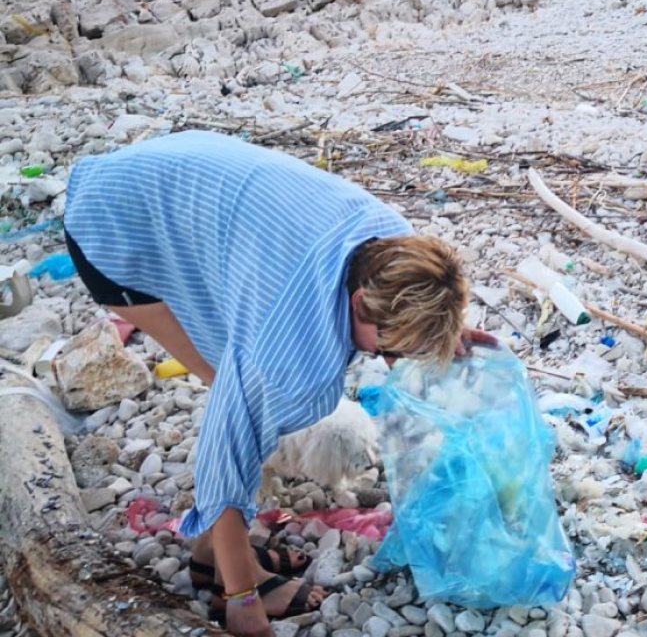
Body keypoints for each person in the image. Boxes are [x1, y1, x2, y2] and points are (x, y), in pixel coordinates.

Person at [63, 130, 494, 637]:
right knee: (236, 398)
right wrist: (242, 603)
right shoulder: (289, 352)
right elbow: (226, 450)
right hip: (111, 223)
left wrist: (439, 331)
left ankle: (209, 554)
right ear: (359, 304)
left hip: (173, 178)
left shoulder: (396, 245)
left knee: (242, 385)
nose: (397, 361)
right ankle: (230, 572)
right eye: (393, 350)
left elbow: (410, 301)